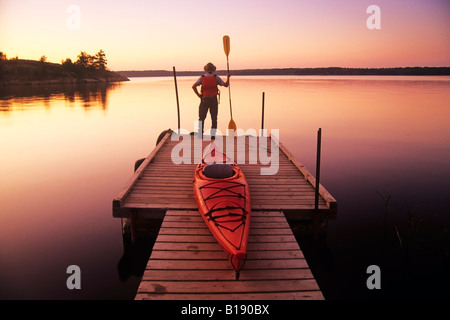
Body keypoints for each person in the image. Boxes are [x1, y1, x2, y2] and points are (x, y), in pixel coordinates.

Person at [192, 62, 230, 138]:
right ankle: (213, 135)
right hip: (213, 100)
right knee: (214, 117)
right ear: (213, 70)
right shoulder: (216, 77)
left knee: (201, 117)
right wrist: (228, 77)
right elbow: (226, 85)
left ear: (206, 70)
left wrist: (199, 95)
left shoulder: (202, 77)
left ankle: (200, 134)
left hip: (204, 99)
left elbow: (193, 86)